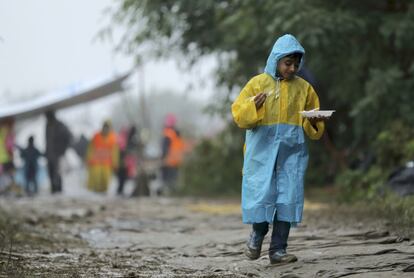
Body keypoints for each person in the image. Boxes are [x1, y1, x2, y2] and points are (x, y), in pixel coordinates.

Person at [231, 34, 328, 265]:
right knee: (264, 196)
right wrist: (252, 106)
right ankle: (256, 236)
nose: (292, 68)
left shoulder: (304, 89)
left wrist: (314, 121)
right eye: (288, 63)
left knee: (287, 198)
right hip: (262, 155)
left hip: (291, 154)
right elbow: (238, 114)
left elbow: (312, 120)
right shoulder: (257, 84)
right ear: (275, 60)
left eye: (296, 64)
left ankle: (278, 251)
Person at [86, 121, 119, 193]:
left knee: (106, 179)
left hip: (107, 162)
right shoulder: (96, 136)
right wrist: (89, 159)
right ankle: (96, 191)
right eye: (105, 128)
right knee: (96, 178)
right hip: (96, 161)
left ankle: (103, 192)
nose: (106, 130)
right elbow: (90, 148)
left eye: (108, 128)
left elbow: (114, 151)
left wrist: (115, 163)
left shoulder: (112, 138)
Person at [45, 110, 72, 194]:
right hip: (50, 154)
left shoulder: (60, 125)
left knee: (58, 172)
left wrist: (62, 150)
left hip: (58, 154)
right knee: (51, 172)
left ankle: (58, 190)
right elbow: (47, 140)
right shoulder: (48, 125)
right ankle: (53, 190)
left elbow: (69, 137)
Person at [160, 113, 186, 194]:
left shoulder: (168, 133)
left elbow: (165, 148)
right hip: (177, 159)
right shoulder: (177, 133)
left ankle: (168, 192)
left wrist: (163, 157)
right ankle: (174, 192)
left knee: (167, 178)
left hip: (169, 159)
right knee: (174, 177)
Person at [116, 126, 138, 196]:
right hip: (123, 162)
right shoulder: (123, 139)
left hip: (124, 162)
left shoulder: (123, 138)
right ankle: (120, 191)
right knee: (122, 179)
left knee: (123, 179)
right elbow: (121, 150)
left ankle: (120, 191)